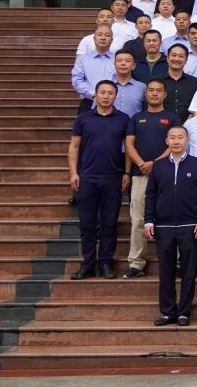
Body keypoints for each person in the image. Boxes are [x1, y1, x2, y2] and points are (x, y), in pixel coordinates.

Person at [144, 125, 197, 326]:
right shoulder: (159, 166)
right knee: (166, 270)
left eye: (180, 137)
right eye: (172, 137)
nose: (176, 141)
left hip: (190, 225)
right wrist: (149, 220)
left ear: (187, 140)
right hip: (163, 226)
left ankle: (184, 312)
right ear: (167, 141)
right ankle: (168, 311)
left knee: (188, 271)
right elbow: (151, 195)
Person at [68, 81, 128, 280]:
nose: (106, 96)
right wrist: (74, 173)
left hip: (113, 177)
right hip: (87, 177)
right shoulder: (83, 118)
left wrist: (127, 172)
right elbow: (74, 146)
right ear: (95, 94)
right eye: (102, 92)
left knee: (109, 223)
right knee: (87, 223)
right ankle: (87, 264)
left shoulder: (123, 119)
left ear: (115, 96)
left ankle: (105, 263)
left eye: (110, 93)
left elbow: (128, 147)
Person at [122, 80, 181, 279]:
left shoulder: (172, 117)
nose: (155, 93)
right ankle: (136, 263)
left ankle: (176, 261)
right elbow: (129, 144)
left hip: (167, 175)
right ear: (145, 94)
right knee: (138, 219)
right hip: (140, 175)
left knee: (173, 217)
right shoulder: (137, 118)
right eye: (151, 90)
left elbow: (175, 142)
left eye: (159, 90)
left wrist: (155, 164)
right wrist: (142, 164)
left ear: (165, 94)